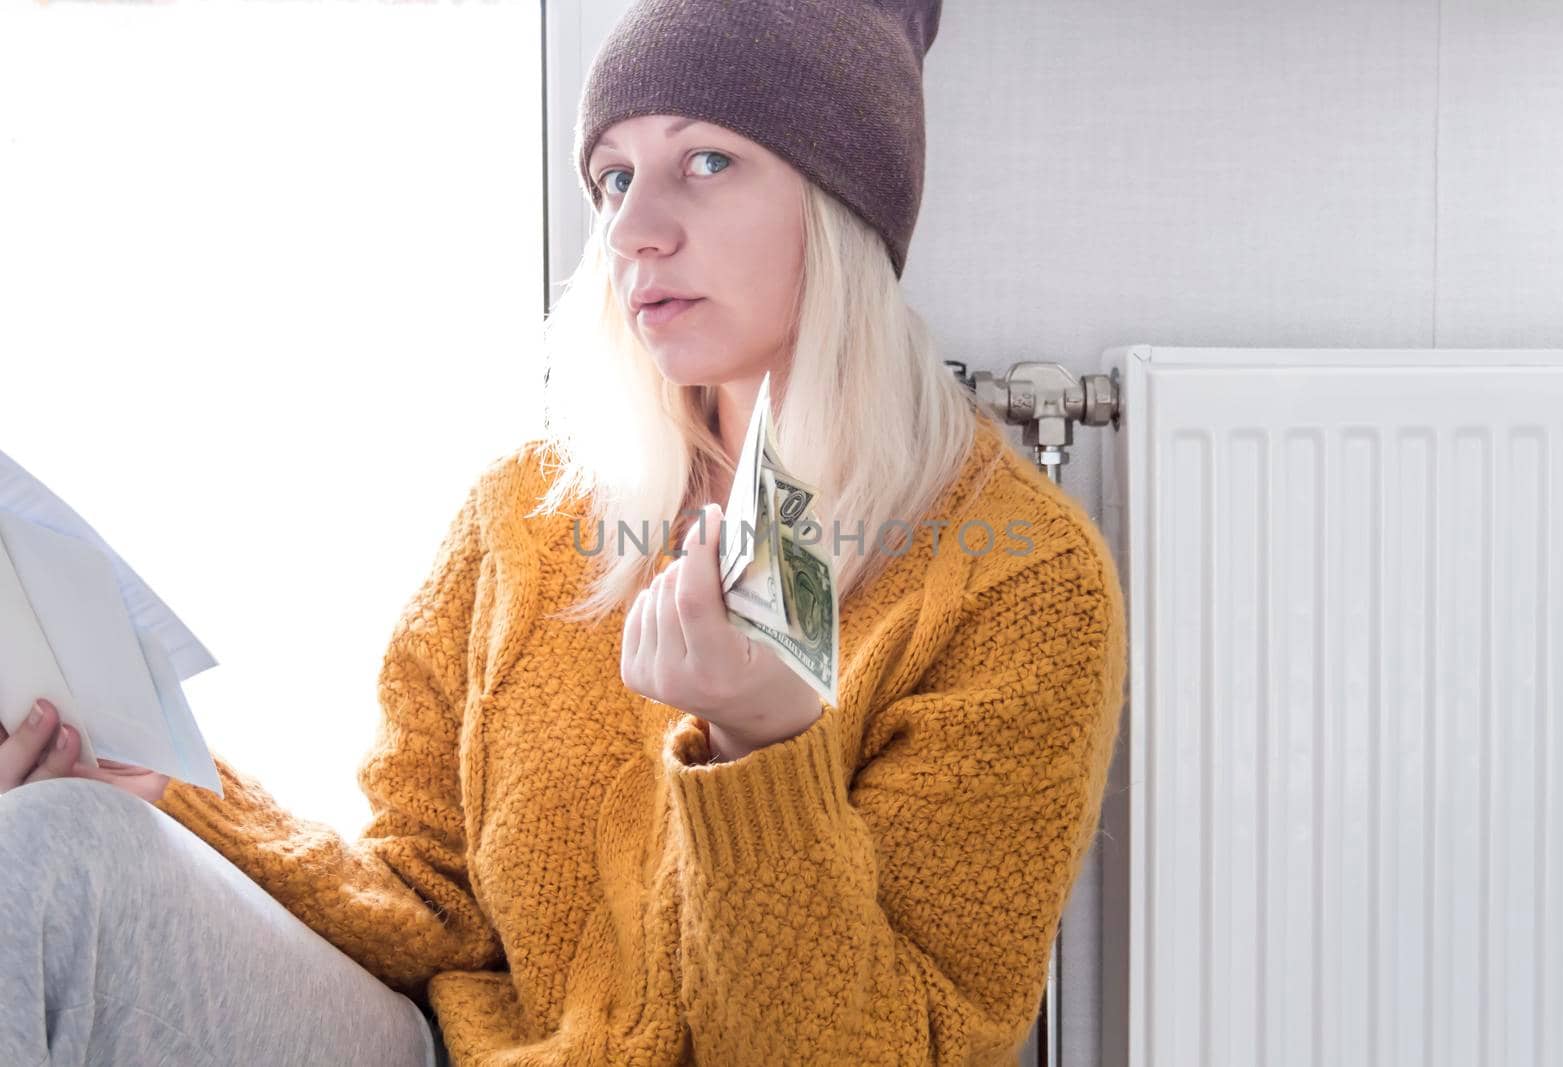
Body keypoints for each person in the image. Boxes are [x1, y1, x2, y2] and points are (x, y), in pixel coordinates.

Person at [0, 0, 1129, 1063]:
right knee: (58, 853)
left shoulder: (1019, 580)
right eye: (612, 177)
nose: (634, 229)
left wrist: (762, 751)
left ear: (845, 203)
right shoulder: (527, 513)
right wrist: (165, 785)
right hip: (448, 1045)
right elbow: (424, 902)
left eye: (706, 161)